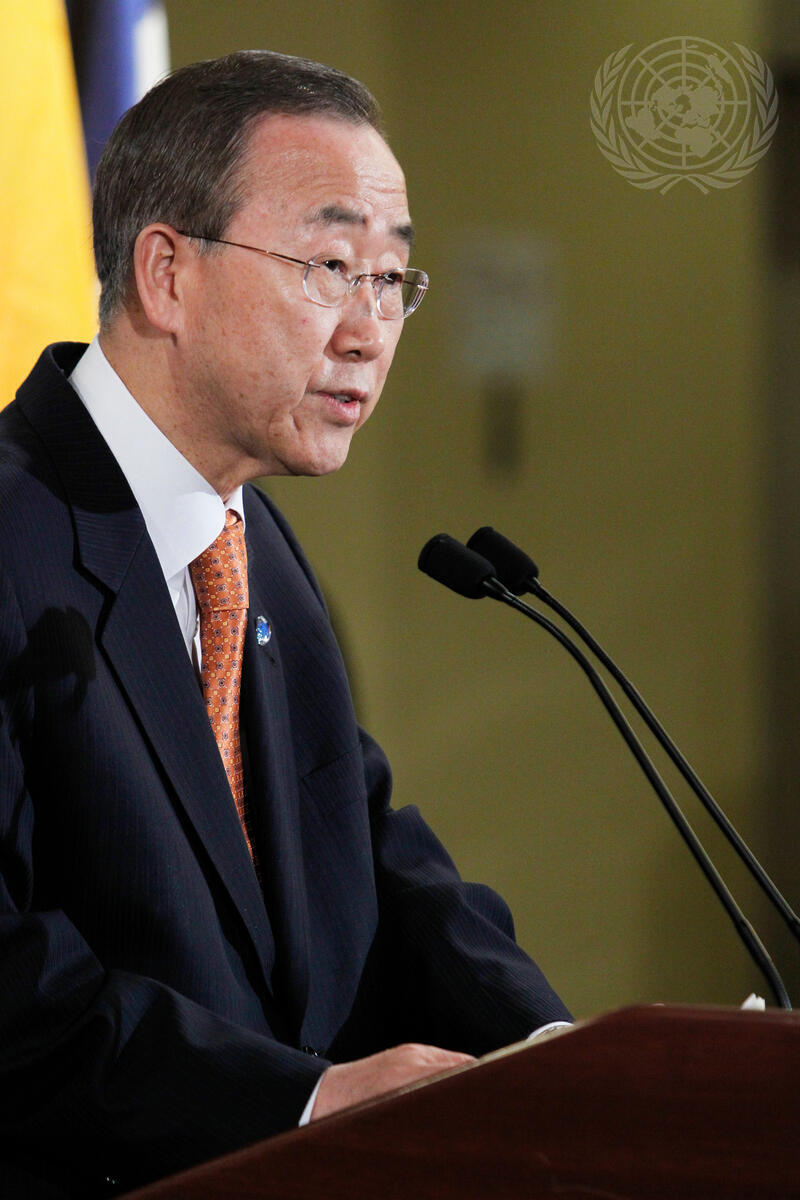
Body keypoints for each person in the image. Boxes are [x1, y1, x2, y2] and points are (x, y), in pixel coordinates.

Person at [0, 50, 570, 1198]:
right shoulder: (16, 534)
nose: (370, 331)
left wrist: (551, 1054)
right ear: (167, 274)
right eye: (330, 267)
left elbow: (363, 851)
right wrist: (297, 1106)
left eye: (392, 279)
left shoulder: (249, 541)